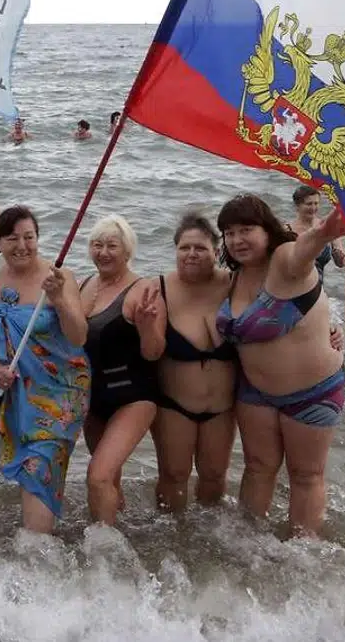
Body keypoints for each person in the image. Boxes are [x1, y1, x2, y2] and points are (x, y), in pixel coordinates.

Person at [217, 193, 345, 537]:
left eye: (246, 229)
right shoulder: (233, 276)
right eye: (229, 233)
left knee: (305, 475)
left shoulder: (286, 260)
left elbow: (307, 246)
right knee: (257, 468)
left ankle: (304, 559)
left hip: (312, 393)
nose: (237, 240)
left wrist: (324, 233)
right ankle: (246, 547)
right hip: (255, 393)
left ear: (267, 229)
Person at [0, 206, 90, 534]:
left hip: (59, 395)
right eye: (12, 239)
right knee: (28, 470)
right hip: (15, 392)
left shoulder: (60, 277)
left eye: (29, 237)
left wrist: (59, 299)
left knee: (39, 469)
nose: (22, 245)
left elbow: (79, 336)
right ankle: (37, 546)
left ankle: (37, 552)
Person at [148, 214, 239, 512]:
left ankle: (209, 546)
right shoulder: (156, 288)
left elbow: (284, 299)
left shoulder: (236, 284)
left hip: (222, 407)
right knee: (173, 475)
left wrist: (330, 324)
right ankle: (170, 540)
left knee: (214, 476)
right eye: (184, 248)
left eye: (200, 248)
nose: (191, 254)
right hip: (174, 404)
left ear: (216, 251)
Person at [77, 215, 164, 525]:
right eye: (96, 245)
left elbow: (154, 352)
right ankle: (119, 531)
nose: (103, 252)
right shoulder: (85, 284)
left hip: (133, 396)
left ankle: (103, 549)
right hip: (93, 397)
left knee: (98, 477)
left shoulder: (144, 290)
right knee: (109, 479)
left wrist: (146, 326)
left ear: (128, 252)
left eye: (112, 246)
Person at [288, 185, 345, 277]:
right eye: (309, 204)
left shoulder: (327, 226)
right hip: (293, 286)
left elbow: (340, 263)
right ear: (297, 205)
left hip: (318, 288)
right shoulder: (287, 230)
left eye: (316, 203)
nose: (313, 208)